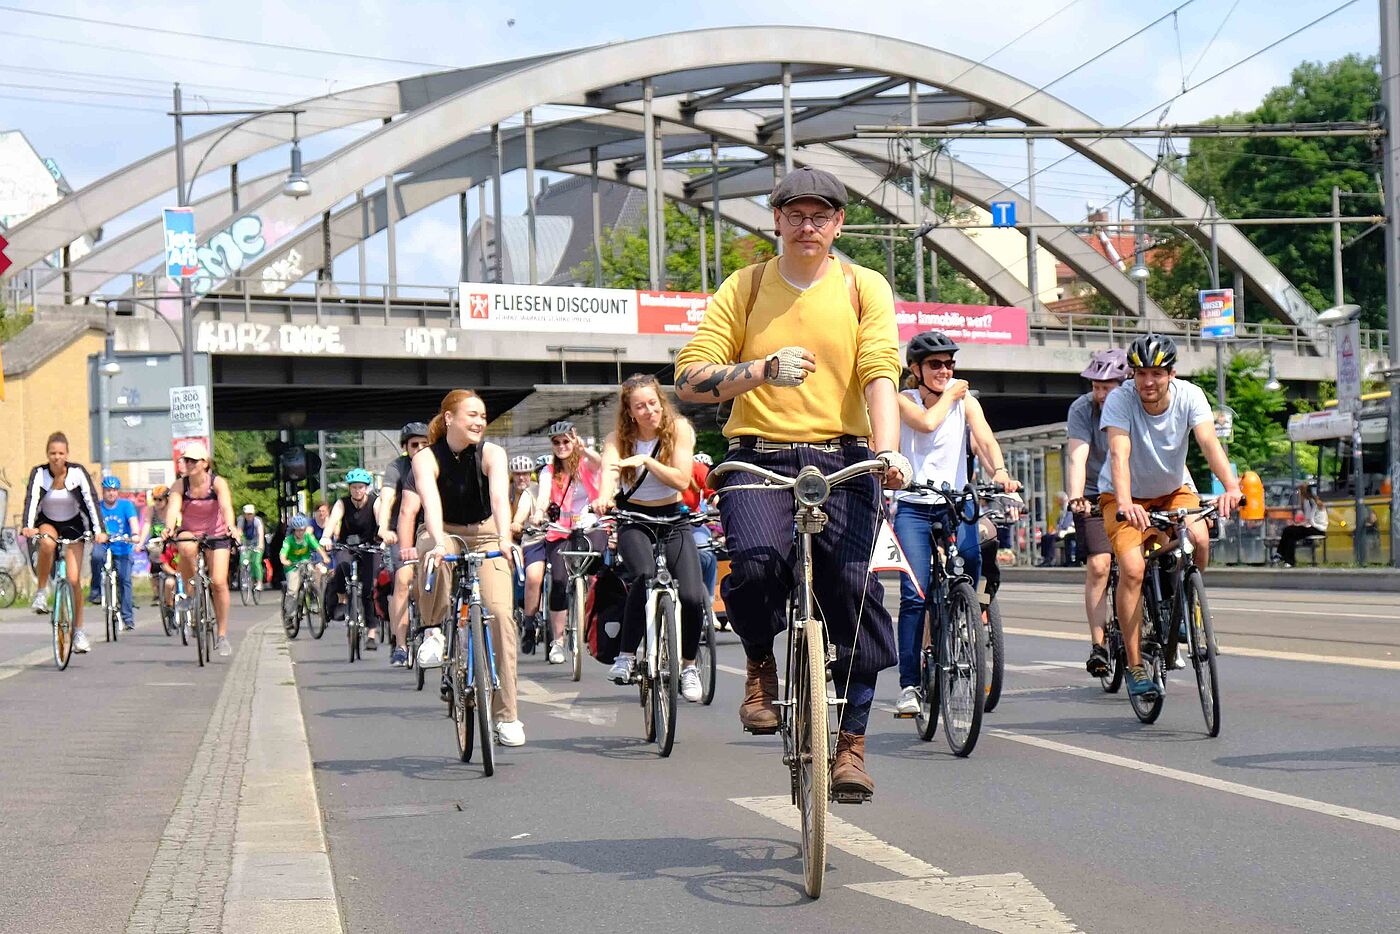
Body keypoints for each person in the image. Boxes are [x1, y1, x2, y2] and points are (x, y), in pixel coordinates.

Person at [674, 165, 911, 799]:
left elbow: (880, 372)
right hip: (760, 457)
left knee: (855, 592)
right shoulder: (746, 287)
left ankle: (852, 743)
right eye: (795, 215)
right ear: (776, 220)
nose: (808, 226)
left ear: (838, 224)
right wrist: (759, 370)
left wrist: (887, 454)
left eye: (822, 216)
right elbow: (690, 378)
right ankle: (759, 664)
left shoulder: (864, 287)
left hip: (845, 458)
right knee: (751, 568)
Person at [1101, 334, 1242, 698]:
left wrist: (1232, 487)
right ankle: (1134, 667)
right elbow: (1119, 453)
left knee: (1199, 538)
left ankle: (1186, 607)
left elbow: (1209, 443)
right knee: (1132, 569)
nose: (1148, 382)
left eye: (1157, 374)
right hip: (1124, 494)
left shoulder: (1191, 396)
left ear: (1172, 374)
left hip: (1172, 487)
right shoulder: (1120, 400)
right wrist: (1125, 501)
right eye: (1141, 373)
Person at [890, 330, 1020, 716]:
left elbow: (984, 441)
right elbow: (928, 424)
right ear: (916, 369)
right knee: (914, 594)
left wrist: (999, 471)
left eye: (949, 364)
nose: (944, 370)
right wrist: (951, 394)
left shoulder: (967, 404)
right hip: (914, 505)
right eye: (935, 364)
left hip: (956, 501)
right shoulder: (903, 400)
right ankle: (910, 685)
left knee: (975, 556)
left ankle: (970, 610)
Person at [414, 390, 525, 747]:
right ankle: (433, 631)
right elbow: (430, 503)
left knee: (500, 615)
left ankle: (507, 716)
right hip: (443, 528)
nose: (479, 422)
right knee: (432, 550)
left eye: (483, 416)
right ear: (449, 418)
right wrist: (439, 539)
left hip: (487, 534)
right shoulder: (427, 458)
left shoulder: (492, 454)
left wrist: (505, 539)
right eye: (472, 415)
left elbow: (498, 500)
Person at [592, 374, 709, 703]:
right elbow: (609, 473)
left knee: (691, 595)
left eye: (653, 404)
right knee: (642, 576)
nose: (648, 411)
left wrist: (646, 460)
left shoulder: (680, 429)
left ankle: (688, 666)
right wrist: (603, 497)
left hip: (673, 519)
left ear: (661, 402)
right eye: (640, 407)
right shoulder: (618, 438)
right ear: (629, 411)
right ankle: (626, 655)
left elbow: (682, 479)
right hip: (635, 519)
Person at [1065, 348, 1131, 676]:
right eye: (1096, 386)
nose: (1101, 393)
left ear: (1125, 382)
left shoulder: (1135, 404)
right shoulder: (1082, 409)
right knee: (1100, 564)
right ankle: (1099, 644)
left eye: (1108, 386)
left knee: (1147, 563)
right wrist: (1076, 496)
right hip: (1093, 494)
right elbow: (1078, 456)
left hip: (1132, 493)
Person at [21, 431, 105, 652]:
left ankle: (78, 632)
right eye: (52, 453)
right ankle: (41, 592)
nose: (56, 457)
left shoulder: (77, 472)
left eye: (60, 453)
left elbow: (91, 500)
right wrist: (28, 526)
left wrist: (99, 530)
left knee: (74, 580)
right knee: (47, 543)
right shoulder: (39, 473)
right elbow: (31, 499)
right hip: (48, 521)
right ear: (47, 455)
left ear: (67, 454)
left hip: (73, 524)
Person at [528, 421, 603, 665]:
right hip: (560, 530)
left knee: (598, 563)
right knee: (558, 580)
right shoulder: (549, 471)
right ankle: (557, 641)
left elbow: (602, 464)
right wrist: (539, 513)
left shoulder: (585, 464)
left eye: (566, 441)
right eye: (556, 442)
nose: (561, 446)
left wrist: (583, 449)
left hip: (590, 525)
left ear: (573, 441)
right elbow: (543, 497)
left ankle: (591, 619)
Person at [164, 441, 237, 656]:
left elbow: (225, 507)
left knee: (219, 582)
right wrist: (168, 528)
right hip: (190, 531)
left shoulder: (217, 483)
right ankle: (190, 593)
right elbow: (173, 509)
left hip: (217, 533)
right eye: (185, 460)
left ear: (205, 463)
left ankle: (222, 635)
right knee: (185, 547)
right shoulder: (180, 485)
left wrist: (232, 527)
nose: (187, 464)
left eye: (192, 460)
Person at [377, 421, 431, 666]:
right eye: (414, 445)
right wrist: (383, 527)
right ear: (405, 448)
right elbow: (387, 498)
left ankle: (436, 632)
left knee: (435, 581)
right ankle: (400, 646)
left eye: (424, 444)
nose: (419, 448)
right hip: (402, 532)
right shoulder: (397, 467)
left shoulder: (436, 463)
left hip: (429, 531)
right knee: (401, 581)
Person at [323, 468, 382, 649]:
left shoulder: (374, 501)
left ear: (366, 488)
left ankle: (371, 633)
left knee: (369, 590)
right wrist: (326, 536)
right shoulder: (342, 503)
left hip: (369, 546)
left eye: (361, 487)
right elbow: (333, 520)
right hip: (346, 545)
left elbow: (381, 521)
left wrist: (383, 537)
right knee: (341, 565)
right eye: (354, 487)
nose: (357, 491)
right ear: (349, 488)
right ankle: (342, 599)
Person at [507, 454, 547, 654]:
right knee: (522, 572)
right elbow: (518, 514)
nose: (522, 478)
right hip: (518, 537)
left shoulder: (539, 489)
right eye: (517, 474)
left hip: (548, 538)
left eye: (526, 474)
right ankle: (522, 613)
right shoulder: (510, 492)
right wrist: (515, 523)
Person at [92, 476, 141, 630]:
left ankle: (128, 618)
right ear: (103, 491)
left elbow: (133, 522)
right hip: (104, 545)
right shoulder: (98, 507)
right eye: (108, 490)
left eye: (113, 490)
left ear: (117, 491)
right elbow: (92, 523)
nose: (111, 493)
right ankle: (96, 591)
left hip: (122, 546)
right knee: (96, 556)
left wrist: (135, 534)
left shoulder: (126, 506)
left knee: (124, 580)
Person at [280, 514, 329, 609]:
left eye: (302, 530)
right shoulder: (288, 540)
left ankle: (315, 598)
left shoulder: (308, 537)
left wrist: (325, 557)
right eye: (298, 530)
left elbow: (318, 547)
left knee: (314, 578)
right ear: (294, 530)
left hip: (306, 562)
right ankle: (289, 614)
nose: (300, 533)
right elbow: (283, 553)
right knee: (293, 591)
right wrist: (284, 561)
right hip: (293, 566)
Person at [1274, 482, 1328, 567]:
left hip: (1318, 528)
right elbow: (1307, 519)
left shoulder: (1313, 502)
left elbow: (1311, 519)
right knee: (1290, 534)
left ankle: (1281, 555)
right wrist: (1299, 524)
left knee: (1290, 531)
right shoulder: (1308, 502)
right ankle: (1287, 560)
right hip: (1311, 526)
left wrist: (1299, 525)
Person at [143, 486, 170, 606]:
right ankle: (156, 594)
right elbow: (146, 525)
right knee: (154, 568)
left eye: (160, 499)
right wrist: (140, 543)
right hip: (155, 542)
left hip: (169, 541)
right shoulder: (151, 510)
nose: (157, 502)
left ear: (167, 499)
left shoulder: (171, 510)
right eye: (155, 499)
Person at [237, 504, 267, 593]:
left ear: (253, 514)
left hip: (256, 543)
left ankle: (259, 583)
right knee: (242, 560)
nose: (248, 516)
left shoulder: (257, 521)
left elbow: (260, 533)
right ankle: (245, 579)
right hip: (246, 543)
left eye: (250, 514)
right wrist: (238, 543)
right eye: (247, 514)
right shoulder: (241, 520)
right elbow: (239, 532)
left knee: (256, 562)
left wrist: (260, 545)